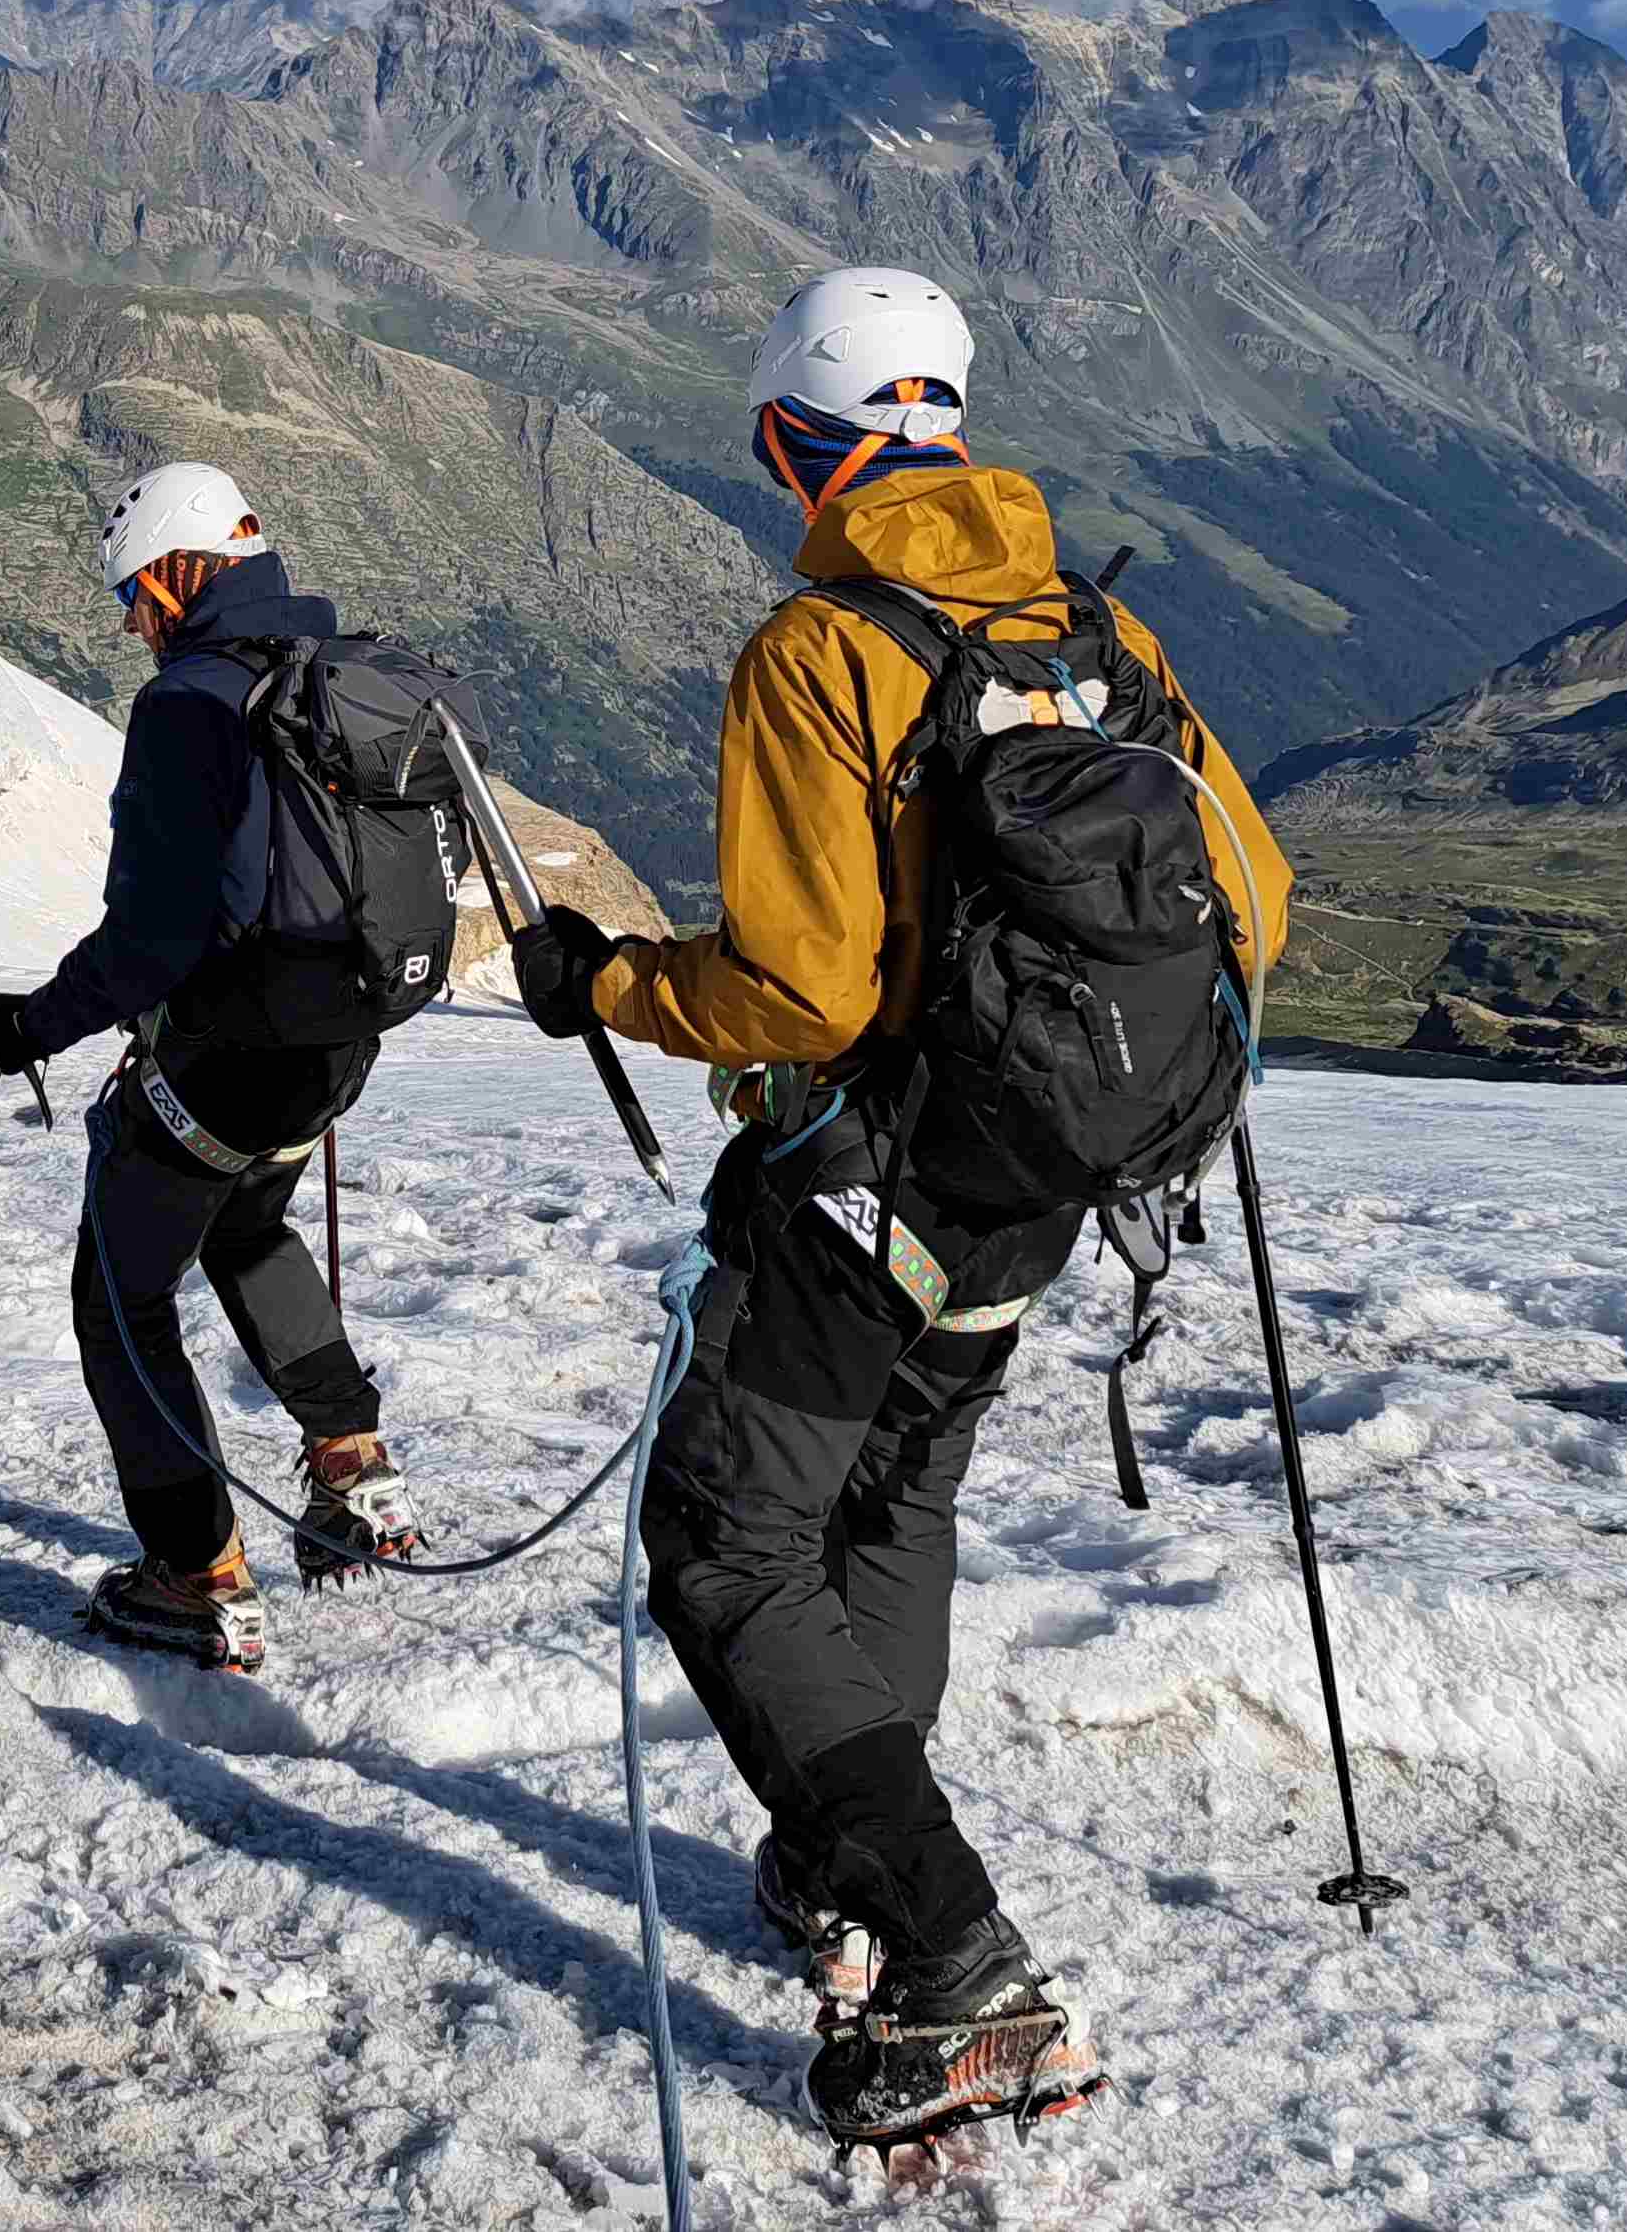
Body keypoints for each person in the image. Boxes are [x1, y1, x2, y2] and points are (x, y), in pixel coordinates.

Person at [505, 266, 1292, 2152]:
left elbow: (804, 990)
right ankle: (852, 1852)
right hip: (1039, 1191)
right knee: (894, 1499)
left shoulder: (825, 647)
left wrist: (602, 983)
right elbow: (1250, 906)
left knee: (723, 1535)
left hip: (864, 1181)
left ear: (795, 441)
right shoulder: (1094, 628)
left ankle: (942, 1949)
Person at [0, 461, 427, 1674]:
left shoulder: (192, 708)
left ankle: (198, 1574)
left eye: (134, 593)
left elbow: (153, 937)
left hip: (220, 1062)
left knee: (120, 1299)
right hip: (337, 1046)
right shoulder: (341, 679)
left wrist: (34, 1025)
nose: (128, 622)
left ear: (179, 573)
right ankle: (353, 1474)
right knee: (244, 1229)